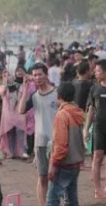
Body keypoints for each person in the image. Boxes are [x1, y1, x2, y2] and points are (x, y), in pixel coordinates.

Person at [18, 63, 58, 206]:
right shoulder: (34, 97)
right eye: (34, 75)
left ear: (46, 75)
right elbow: (21, 110)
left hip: (56, 142)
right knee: (42, 178)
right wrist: (25, 89)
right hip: (40, 142)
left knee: (57, 177)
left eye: (40, 74)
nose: (37, 77)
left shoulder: (57, 93)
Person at [47, 82, 85, 206]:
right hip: (76, 162)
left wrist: (53, 164)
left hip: (64, 163)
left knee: (52, 199)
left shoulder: (61, 115)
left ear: (58, 97)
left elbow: (61, 145)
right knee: (72, 197)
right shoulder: (77, 112)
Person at [84, 59, 106, 198]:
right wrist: (86, 129)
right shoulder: (94, 88)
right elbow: (91, 109)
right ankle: (98, 190)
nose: (95, 73)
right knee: (97, 158)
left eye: (98, 70)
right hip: (98, 127)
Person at [0, 68, 28, 159]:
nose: (7, 77)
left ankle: (23, 152)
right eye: (4, 75)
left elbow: (24, 95)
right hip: (8, 113)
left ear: (13, 76)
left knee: (20, 131)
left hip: (18, 112)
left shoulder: (18, 85)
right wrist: (5, 84)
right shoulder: (3, 87)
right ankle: (11, 152)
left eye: (9, 75)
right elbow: (2, 92)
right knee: (10, 133)